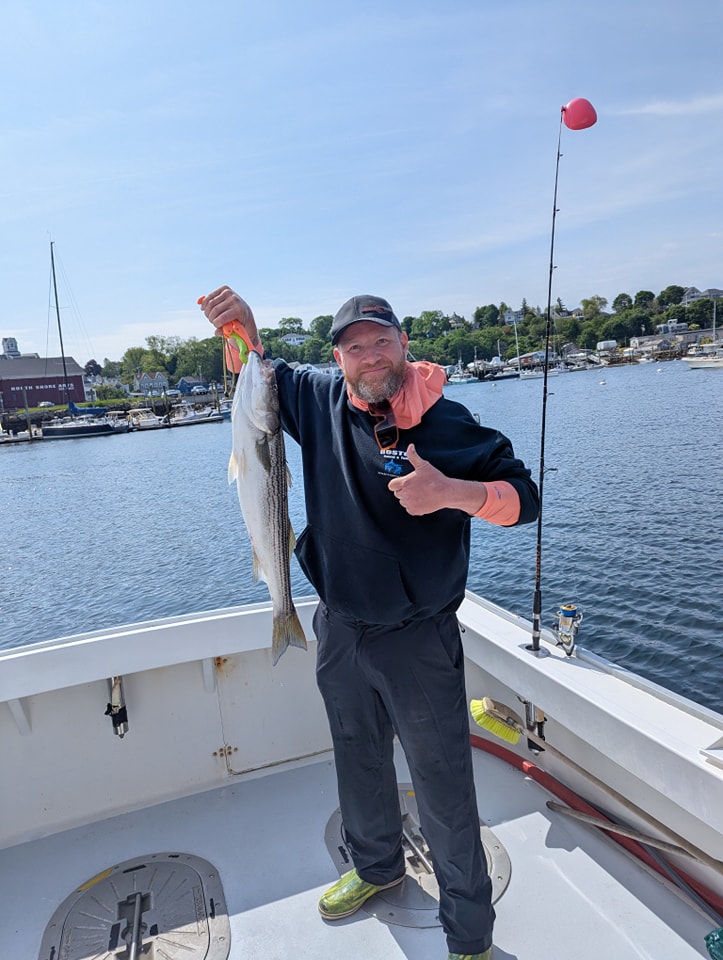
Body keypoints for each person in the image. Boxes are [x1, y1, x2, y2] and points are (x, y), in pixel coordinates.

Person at [201, 287, 539, 960]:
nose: (369, 355)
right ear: (339, 358)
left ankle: (469, 935)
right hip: (339, 627)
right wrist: (243, 327)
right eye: (354, 346)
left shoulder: (449, 425)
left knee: (443, 784)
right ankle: (377, 866)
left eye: (381, 340)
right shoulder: (318, 399)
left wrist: (452, 492)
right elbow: (257, 370)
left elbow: (525, 499)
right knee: (357, 759)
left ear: (403, 344)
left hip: (417, 640)